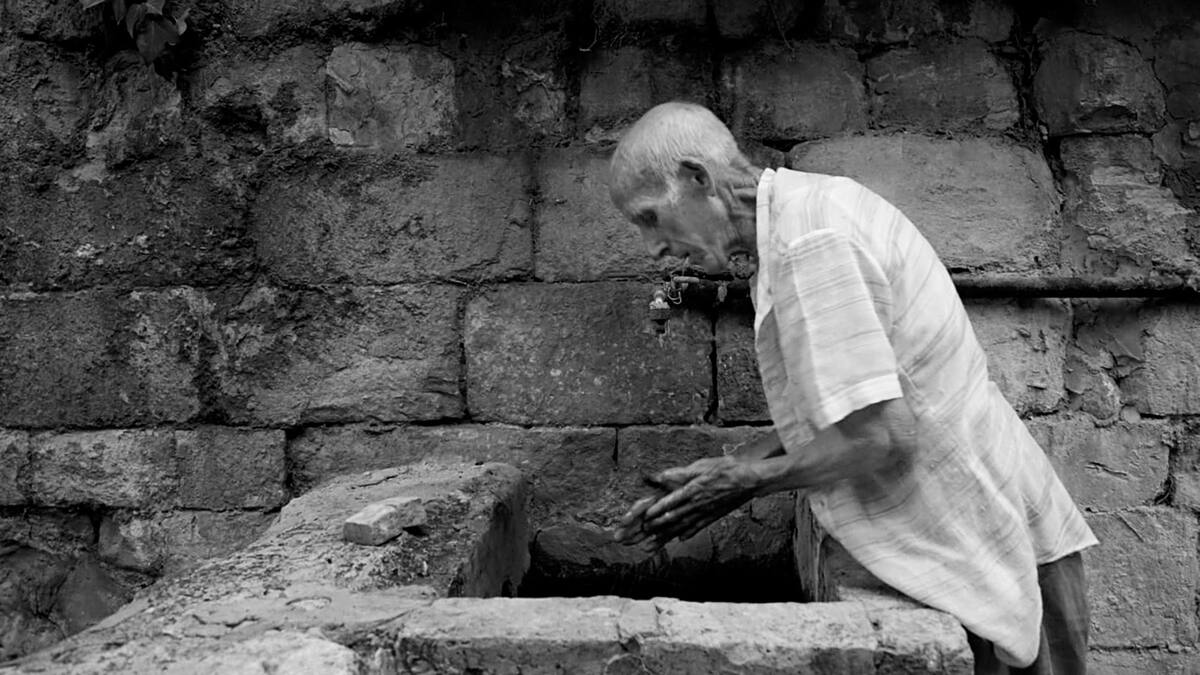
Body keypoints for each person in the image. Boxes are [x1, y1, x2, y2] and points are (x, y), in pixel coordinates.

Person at [607, 101, 1098, 675]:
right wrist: (730, 468)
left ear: (698, 178)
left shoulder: (810, 245)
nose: (653, 248)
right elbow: (854, 403)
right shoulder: (806, 210)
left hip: (983, 534)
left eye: (649, 218)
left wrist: (744, 483)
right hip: (996, 515)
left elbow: (880, 437)